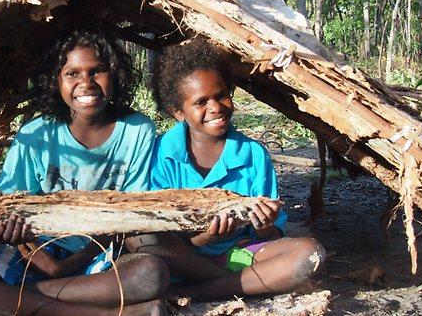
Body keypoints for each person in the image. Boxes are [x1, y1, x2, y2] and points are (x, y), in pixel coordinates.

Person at [0, 30, 170, 316]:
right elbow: (6, 212)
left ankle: (1, 299)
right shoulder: (35, 135)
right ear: (56, 80)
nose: (86, 83)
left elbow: (129, 214)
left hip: (97, 255)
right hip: (30, 252)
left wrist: (68, 266)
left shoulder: (136, 130)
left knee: (150, 273)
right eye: (72, 73)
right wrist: (32, 251)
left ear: (115, 75)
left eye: (97, 71)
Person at [126, 38, 325, 302]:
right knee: (139, 239)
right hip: (181, 258)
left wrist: (265, 225)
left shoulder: (253, 154)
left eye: (221, 95)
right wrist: (202, 240)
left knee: (309, 253)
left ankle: (187, 293)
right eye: (200, 102)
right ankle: (230, 284)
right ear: (177, 111)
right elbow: (157, 229)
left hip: (236, 254)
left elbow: (272, 233)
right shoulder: (161, 154)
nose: (215, 107)